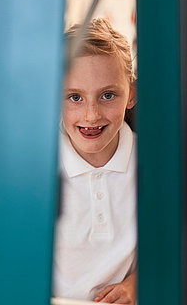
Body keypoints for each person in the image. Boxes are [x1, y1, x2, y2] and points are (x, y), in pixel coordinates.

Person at [54, 18, 137, 304]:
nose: (91, 115)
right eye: (74, 97)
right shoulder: (34, 165)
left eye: (108, 95)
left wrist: (137, 283)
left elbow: (170, 242)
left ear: (131, 95)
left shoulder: (154, 165)